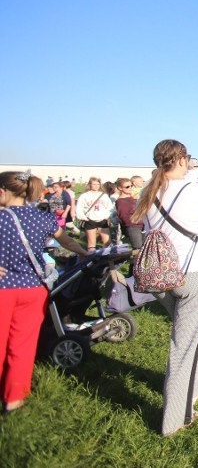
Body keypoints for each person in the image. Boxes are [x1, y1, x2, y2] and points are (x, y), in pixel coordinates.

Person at [131, 139, 198, 436]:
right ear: (180, 160)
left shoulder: (149, 191)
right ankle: (175, 418)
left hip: (159, 275)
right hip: (194, 273)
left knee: (189, 331)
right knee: (183, 343)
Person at [0, 172, 89, 414]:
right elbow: (67, 242)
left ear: (2, 192)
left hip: (4, 289)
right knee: (23, 345)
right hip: (33, 288)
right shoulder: (42, 218)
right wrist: (85, 254)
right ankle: (14, 399)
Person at [76, 176, 114, 251]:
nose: (96, 186)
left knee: (107, 242)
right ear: (90, 184)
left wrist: (107, 216)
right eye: (94, 184)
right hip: (90, 220)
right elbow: (79, 208)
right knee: (92, 243)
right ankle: (92, 259)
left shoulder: (104, 195)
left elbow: (110, 207)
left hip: (102, 220)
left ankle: (106, 258)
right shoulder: (85, 196)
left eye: (98, 184)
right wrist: (83, 217)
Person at [114, 178, 144, 249]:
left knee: (144, 248)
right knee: (138, 248)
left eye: (131, 186)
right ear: (120, 188)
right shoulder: (120, 201)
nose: (130, 188)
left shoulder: (133, 198)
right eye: (127, 187)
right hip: (132, 226)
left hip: (141, 224)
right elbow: (124, 216)